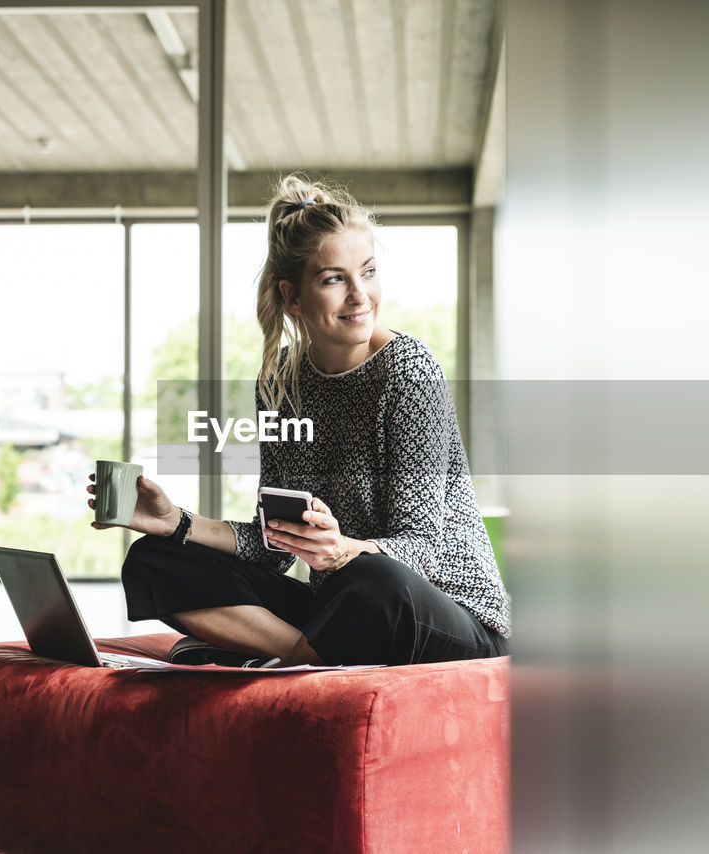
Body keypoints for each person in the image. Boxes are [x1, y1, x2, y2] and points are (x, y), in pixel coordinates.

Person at [87, 175, 509, 667]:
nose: (360, 296)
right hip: (341, 608)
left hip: (447, 615)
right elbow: (274, 547)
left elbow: (425, 546)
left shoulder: (408, 370)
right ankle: (299, 656)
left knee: (373, 578)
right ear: (292, 297)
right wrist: (176, 522)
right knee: (154, 559)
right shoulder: (280, 385)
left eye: (368, 272)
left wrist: (343, 550)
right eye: (334, 279)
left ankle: (287, 653)